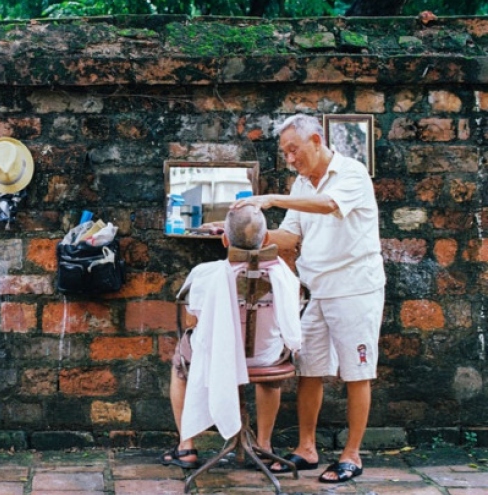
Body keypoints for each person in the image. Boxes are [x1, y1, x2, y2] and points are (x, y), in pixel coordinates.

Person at [232, 114, 385, 483]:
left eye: (293, 150)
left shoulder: (351, 173)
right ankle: (306, 448)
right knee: (309, 369)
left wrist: (270, 197)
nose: (290, 159)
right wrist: (244, 234)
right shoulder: (302, 183)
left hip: (355, 288)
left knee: (356, 372)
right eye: (285, 153)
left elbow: (329, 205)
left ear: (316, 141)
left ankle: (352, 454)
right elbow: (287, 237)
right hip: (314, 288)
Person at [162, 204, 301, 469]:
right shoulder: (284, 275)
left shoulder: (206, 274)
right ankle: (264, 444)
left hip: (220, 358)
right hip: (265, 358)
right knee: (270, 372)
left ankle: (186, 446)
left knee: (181, 362)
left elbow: (194, 315)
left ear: (225, 239)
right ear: (267, 238)